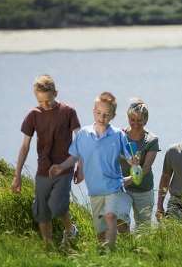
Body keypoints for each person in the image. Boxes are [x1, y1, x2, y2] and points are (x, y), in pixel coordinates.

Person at [49, 91, 137, 251]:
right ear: (93, 111)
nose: (102, 117)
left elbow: (130, 157)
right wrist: (61, 167)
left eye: (106, 114)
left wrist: (134, 163)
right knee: (100, 232)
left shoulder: (118, 135)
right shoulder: (83, 134)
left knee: (111, 216)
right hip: (95, 191)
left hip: (114, 187)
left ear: (113, 116)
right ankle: (109, 252)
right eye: (98, 113)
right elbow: (75, 156)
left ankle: (111, 254)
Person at [11, 74, 81, 249]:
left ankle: (71, 230)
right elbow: (25, 146)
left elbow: (81, 141)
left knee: (57, 206)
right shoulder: (33, 115)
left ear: (55, 93)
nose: (45, 105)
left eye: (48, 101)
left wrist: (81, 166)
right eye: (41, 101)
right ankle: (48, 247)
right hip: (43, 169)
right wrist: (17, 174)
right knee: (42, 211)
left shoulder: (69, 112)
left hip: (64, 168)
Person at [120, 99, 160, 228]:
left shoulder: (151, 140)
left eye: (139, 120)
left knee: (143, 228)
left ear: (145, 120)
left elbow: (146, 168)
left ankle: (142, 248)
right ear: (128, 118)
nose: (135, 124)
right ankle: (125, 247)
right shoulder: (120, 136)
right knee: (120, 222)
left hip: (143, 189)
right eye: (132, 120)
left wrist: (129, 179)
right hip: (122, 189)